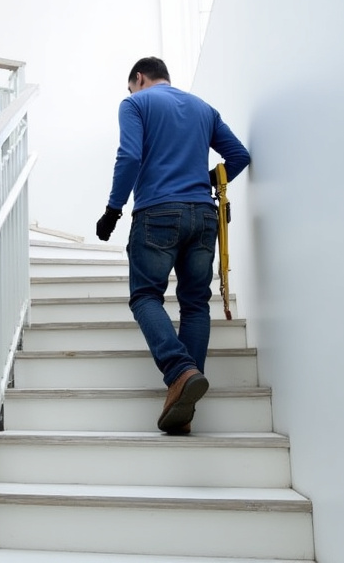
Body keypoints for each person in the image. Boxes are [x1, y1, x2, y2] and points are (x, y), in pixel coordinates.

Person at [96, 57, 250, 435]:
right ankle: (184, 397)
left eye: (131, 85)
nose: (130, 91)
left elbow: (130, 155)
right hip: (204, 217)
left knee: (145, 296)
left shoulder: (135, 104)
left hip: (157, 214)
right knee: (195, 303)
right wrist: (209, 179)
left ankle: (180, 371)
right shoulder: (204, 109)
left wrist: (113, 210)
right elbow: (239, 157)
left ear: (139, 78)